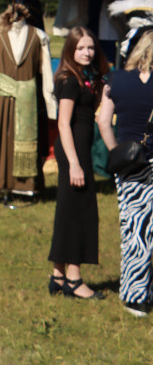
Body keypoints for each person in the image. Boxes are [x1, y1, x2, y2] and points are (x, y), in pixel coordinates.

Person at [0, 3, 57, 198]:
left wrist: (50, 105)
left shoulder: (38, 36)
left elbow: (47, 74)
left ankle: (24, 185)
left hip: (27, 100)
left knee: (24, 143)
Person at [48, 27, 108, 300]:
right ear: (71, 50)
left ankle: (58, 275)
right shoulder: (69, 81)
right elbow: (63, 123)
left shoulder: (84, 77)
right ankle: (74, 279)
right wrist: (74, 163)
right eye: (81, 48)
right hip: (73, 151)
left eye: (91, 47)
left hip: (79, 148)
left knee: (69, 210)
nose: (87, 52)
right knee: (80, 212)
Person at [97, 29, 153, 317]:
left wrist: (116, 151)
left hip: (130, 165)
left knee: (134, 229)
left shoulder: (115, 80)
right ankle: (143, 290)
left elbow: (103, 120)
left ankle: (135, 294)